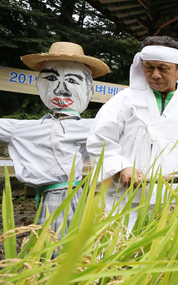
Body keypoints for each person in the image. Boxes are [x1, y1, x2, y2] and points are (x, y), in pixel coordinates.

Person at [87, 36, 178, 230]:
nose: (155, 75)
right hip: (123, 203)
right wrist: (122, 167)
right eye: (149, 67)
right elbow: (100, 141)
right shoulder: (123, 101)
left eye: (163, 68)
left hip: (177, 205)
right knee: (118, 255)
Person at [0, 42, 109, 252]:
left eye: (72, 80)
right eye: (51, 78)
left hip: (67, 195)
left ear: (87, 87)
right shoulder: (25, 129)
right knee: (54, 249)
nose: (60, 89)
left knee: (54, 252)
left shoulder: (94, 126)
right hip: (49, 197)